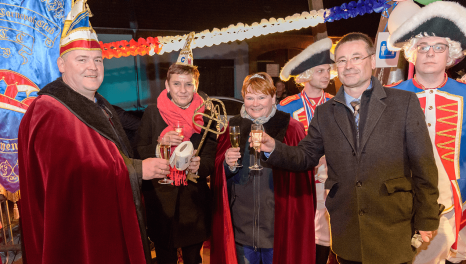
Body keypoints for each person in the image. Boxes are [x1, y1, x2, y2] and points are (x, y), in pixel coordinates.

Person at [256, 32, 440, 264]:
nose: (348, 65)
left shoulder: (403, 103)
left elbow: (423, 166)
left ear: (372, 61)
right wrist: (273, 147)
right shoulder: (325, 112)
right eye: (342, 60)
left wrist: (427, 219)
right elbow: (305, 156)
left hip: (392, 228)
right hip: (347, 230)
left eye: (356, 58)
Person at [18, 1, 175, 263]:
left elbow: (112, 153)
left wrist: (152, 153)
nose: (93, 67)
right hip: (79, 238)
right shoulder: (49, 109)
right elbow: (67, 176)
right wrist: (136, 170)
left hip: (103, 225)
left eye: (98, 60)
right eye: (82, 60)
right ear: (61, 64)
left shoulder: (99, 105)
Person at [387, 2, 466, 263]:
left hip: (454, 205)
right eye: (423, 47)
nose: (430, 53)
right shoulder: (390, 95)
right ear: (412, 53)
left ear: (450, 53)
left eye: (439, 47)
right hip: (401, 205)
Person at [211, 72, 315, 264]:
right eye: (250, 97)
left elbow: (303, 169)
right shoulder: (233, 127)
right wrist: (226, 164)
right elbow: (218, 174)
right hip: (241, 233)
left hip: (278, 230)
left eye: (261, 97)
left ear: (273, 98)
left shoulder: (291, 128)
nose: (255, 103)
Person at [135, 34, 217, 264]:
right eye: (177, 83)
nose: (183, 90)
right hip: (161, 202)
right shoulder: (153, 113)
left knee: (193, 259)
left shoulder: (207, 116)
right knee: (165, 258)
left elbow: (211, 157)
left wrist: (200, 166)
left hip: (193, 201)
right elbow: (138, 150)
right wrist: (159, 144)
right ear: (167, 85)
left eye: (188, 84)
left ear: (196, 85)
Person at [277, 37, 334, 264]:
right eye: (320, 70)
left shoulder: (336, 102)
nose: (327, 75)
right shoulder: (287, 106)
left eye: (328, 70)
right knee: (299, 228)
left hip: (330, 179)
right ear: (307, 75)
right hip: (298, 179)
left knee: (324, 233)